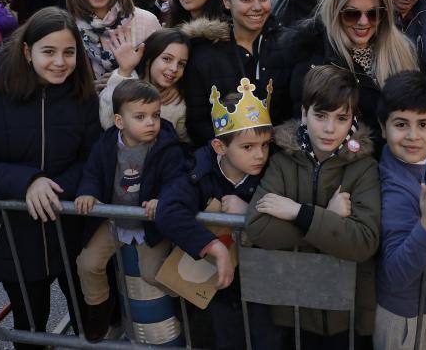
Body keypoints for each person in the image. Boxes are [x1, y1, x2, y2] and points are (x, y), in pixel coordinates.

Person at [0, 7, 101, 347]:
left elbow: (94, 160)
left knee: (89, 324)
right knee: (30, 327)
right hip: (14, 239)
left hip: (73, 234)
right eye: (49, 51)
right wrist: (27, 181)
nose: (60, 61)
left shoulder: (84, 99)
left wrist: (54, 188)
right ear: (28, 51)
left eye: (69, 52)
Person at [246, 65, 381, 348]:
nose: (330, 128)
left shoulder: (365, 168)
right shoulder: (283, 162)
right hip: (293, 308)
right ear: (305, 114)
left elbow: (364, 241)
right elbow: (258, 227)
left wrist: (299, 213)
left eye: (341, 118)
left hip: (345, 311)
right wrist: (330, 220)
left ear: (353, 120)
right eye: (321, 116)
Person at [156, 78, 281, 350]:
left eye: (265, 145)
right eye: (247, 147)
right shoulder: (197, 171)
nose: (260, 155)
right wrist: (215, 247)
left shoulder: (275, 171)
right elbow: (168, 209)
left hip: (263, 287)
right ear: (220, 147)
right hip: (215, 292)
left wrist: (249, 214)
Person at [74, 79, 184, 341]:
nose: (150, 123)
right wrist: (87, 192)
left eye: (155, 115)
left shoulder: (166, 145)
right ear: (119, 122)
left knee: (151, 273)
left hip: (149, 225)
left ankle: (185, 304)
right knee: (87, 264)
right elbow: (92, 171)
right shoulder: (106, 143)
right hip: (114, 220)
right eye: (140, 117)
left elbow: (177, 178)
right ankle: (100, 307)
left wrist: (163, 199)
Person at [284, 0, 419, 144]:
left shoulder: (403, 51)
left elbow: (422, 114)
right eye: (352, 14)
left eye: (373, 14)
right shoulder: (312, 55)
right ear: (335, 11)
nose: (363, 22)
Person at [373, 71, 426, 350]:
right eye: (401, 124)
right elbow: (394, 275)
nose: (413, 136)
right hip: (402, 317)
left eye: (423, 124)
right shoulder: (393, 190)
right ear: (383, 127)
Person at [183, 0, 295, 147]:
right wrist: (233, 152)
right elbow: (197, 122)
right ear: (226, 1)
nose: (258, 7)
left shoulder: (288, 45)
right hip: (224, 164)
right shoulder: (204, 53)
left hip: (279, 162)